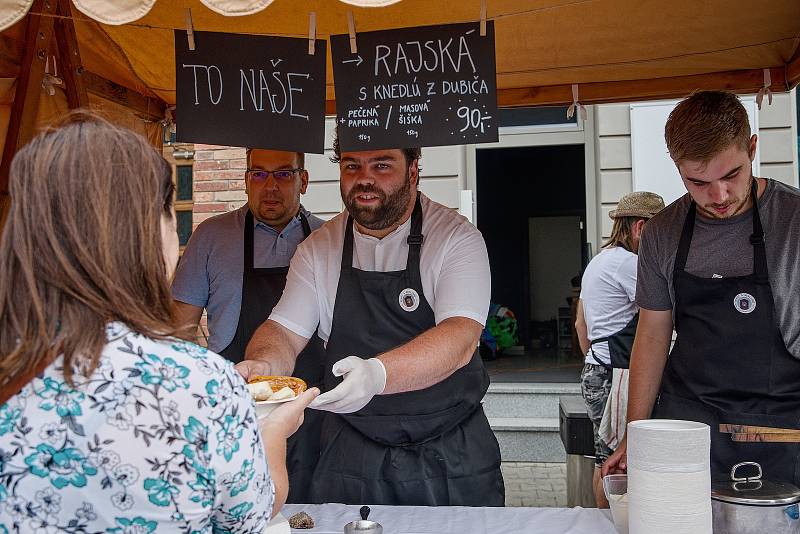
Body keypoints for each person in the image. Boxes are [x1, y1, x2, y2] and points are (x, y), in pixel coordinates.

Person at [0, 113, 317, 533]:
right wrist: (272, 431)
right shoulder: (201, 384)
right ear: (150, 232)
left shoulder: (12, 366)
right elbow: (248, 515)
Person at [239, 138, 505, 506]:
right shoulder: (320, 247)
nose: (364, 179)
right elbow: (284, 330)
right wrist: (264, 366)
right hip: (351, 448)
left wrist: (377, 375)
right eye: (351, 166)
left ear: (413, 170)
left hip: (448, 449)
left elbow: (460, 336)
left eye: (381, 165)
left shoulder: (456, 238)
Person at [603, 90, 800, 485]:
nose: (719, 196)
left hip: (780, 424)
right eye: (698, 182)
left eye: (731, 175)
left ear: (752, 148)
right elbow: (653, 335)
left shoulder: (793, 221)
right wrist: (636, 432)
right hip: (688, 422)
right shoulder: (662, 232)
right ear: (678, 169)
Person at [171, 148, 325, 502]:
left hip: (312, 409)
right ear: (245, 181)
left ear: (304, 180)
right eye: (259, 174)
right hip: (236, 408)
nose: (270, 186)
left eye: (283, 174)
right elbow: (178, 330)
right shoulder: (211, 236)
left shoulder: (327, 238)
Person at [575, 191, 664, 507]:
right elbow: (663, 316)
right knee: (618, 463)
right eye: (660, 231)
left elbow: (580, 326)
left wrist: (595, 361)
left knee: (604, 458)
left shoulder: (599, 262)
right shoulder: (630, 265)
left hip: (597, 368)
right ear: (641, 227)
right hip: (618, 373)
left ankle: (596, 523)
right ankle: (609, 524)